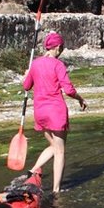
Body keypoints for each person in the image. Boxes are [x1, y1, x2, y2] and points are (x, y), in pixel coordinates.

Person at [22, 31, 87, 194]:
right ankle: (56, 191)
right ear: (57, 47)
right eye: (62, 47)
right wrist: (80, 98)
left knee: (53, 145)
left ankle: (33, 171)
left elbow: (26, 86)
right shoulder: (58, 65)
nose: (62, 50)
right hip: (55, 112)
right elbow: (69, 90)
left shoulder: (35, 64)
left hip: (40, 112)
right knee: (60, 151)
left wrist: (26, 75)